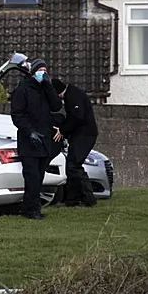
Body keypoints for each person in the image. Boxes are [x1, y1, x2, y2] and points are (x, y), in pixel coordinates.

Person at [10, 59, 63, 220]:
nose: (43, 73)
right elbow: (17, 115)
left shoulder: (46, 89)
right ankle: (31, 210)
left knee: (39, 177)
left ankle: (30, 208)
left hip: (44, 141)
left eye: (45, 70)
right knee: (32, 177)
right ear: (32, 72)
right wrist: (30, 132)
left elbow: (56, 106)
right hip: (29, 142)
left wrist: (48, 86)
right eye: (40, 70)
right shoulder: (23, 89)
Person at [51, 78, 99, 207]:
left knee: (74, 166)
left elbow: (77, 117)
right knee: (71, 166)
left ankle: (88, 199)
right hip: (82, 134)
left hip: (85, 135)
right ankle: (72, 200)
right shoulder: (72, 94)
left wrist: (63, 130)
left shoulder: (73, 96)